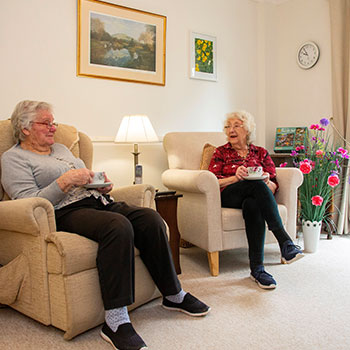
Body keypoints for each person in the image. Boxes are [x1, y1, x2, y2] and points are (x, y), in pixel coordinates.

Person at [1, 100, 210, 350]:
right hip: (63, 212)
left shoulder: (61, 149)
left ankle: (173, 294)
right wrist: (64, 182)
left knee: (150, 218)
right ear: (25, 128)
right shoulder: (13, 158)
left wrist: (99, 184)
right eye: (46, 123)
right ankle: (115, 320)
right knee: (117, 226)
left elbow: (84, 177)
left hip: (97, 200)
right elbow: (27, 203)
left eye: (53, 122)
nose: (53, 127)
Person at [208, 110, 304, 290]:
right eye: (228, 126)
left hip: (253, 195)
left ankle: (257, 269)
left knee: (253, 203)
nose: (231, 130)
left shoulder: (260, 152)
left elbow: (274, 182)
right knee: (256, 186)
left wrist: (267, 183)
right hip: (228, 194)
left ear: (247, 130)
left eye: (237, 125)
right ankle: (284, 242)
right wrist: (235, 178)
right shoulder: (220, 152)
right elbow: (212, 180)